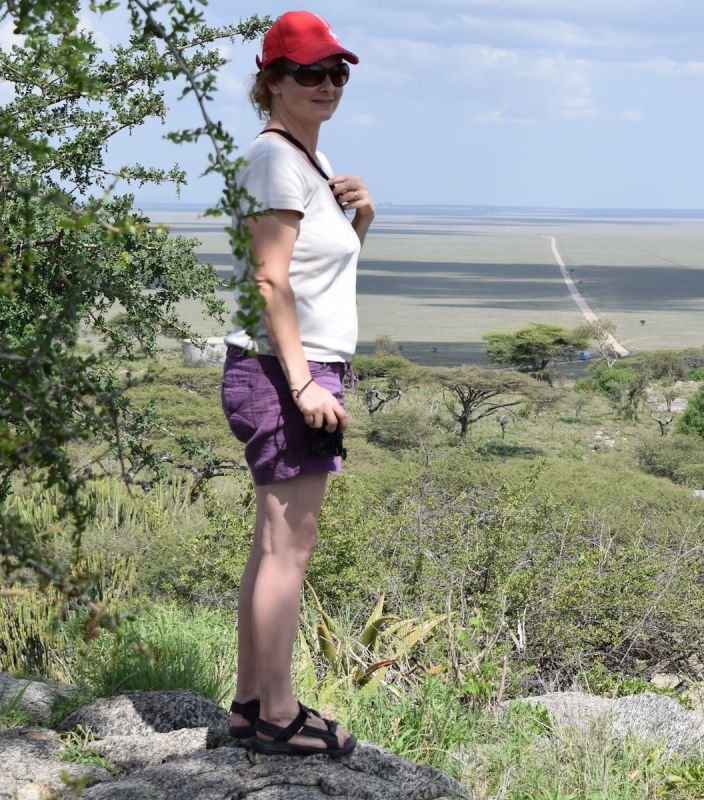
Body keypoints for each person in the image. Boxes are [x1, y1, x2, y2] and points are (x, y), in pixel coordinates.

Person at [220, 10, 374, 757]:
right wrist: (306, 381)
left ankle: (253, 704)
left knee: (272, 547)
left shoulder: (307, 163)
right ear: (272, 82)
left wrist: (362, 219)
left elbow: (317, 277)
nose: (326, 84)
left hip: (295, 367)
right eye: (308, 72)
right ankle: (279, 715)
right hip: (287, 373)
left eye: (336, 72)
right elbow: (271, 283)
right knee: (290, 550)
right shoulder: (278, 159)